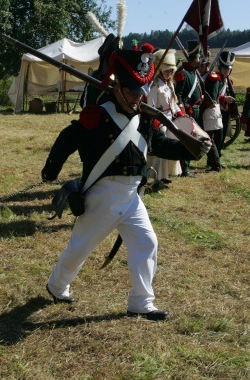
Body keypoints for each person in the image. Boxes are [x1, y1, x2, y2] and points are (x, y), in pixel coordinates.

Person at [41, 46, 210, 321]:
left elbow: (158, 146)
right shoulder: (98, 116)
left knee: (147, 242)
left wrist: (187, 150)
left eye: (139, 92)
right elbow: (68, 138)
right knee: (80, 247)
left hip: (132, 195)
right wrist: (51, 170)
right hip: (102, 194)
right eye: (131, 91)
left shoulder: (144, 118)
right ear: (116, 86)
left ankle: (141, 302)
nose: (136, 98)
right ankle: (57, 285)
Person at [147, 49, 183, 188]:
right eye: (167, 70)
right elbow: (151, 105)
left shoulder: (168, 85)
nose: (169, 73)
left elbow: (173, 104)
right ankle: (156, 179)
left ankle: (164, 175)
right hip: (159, 123)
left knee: (167, 149)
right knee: (159, 152)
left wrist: (180, 114)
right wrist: (156, 120)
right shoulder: (155, 86)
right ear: (160, 70)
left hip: (169, 121)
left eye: (171, 71)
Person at [174, 40, 206, 177]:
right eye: (199, 57)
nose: (201, 60)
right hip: (187, 110)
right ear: (193, 58)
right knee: (187, 140)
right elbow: (178, 94)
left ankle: (187, 165)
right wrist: (182, 111)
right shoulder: (183, 72)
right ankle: (184, 168)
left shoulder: (193, 72)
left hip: (195, 110)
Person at [203, 51, 237, 170]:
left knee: (221, 139)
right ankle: (213, 161)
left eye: (228, 68)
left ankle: (217, 159)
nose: (226, 70)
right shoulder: (215, 79)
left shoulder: (228, 81)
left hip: (224, 112)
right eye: (224, 68)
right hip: (216, 111)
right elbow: (213, 97)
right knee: (216, 138)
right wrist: (224, 98)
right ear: (220, 67)